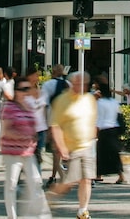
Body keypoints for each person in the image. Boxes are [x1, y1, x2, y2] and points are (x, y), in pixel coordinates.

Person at [47, 71, 98, 219]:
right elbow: (55, 126)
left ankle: (83, 210)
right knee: (68, 183)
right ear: (72, 83)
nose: (81, 86)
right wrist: (61, 147)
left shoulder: (89, 99)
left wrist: (94, 136)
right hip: (71, 148)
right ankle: (48, 199)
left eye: (84, 84)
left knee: (86, 179)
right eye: (78, 83)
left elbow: (92, 120)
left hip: (87, 146)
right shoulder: (62, 100)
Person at [0, 78, 52, 219]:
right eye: (23, 89)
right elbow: (6, 131)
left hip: (28, 151)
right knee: (11, 184)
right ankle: (12, 216)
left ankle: (42, 215)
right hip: (13, 152)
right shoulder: (9, 107)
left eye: (28, 89)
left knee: (36, 181)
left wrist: (35, 136)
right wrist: (24, 136)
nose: (26, 92)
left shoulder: (29, 106)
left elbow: (35, 124)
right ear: (16, 91)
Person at [41, 64, 70, 186]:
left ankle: (59, 176)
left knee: (55, 149)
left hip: (53, 120)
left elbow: (43, 104)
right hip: (67, 121)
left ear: (52, 72)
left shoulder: (48, 85)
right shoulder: (68, 84)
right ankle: (57, 174)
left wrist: (44, 123)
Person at [94, 78, 126, 185]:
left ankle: (99, 175)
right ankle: (120, 176)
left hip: (104, 130)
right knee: (114, 154)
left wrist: (96, 131)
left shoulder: (100, 103)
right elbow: (118, 115)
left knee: (101, 154)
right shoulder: (114, 102)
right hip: (114, 130)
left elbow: (99, 119)